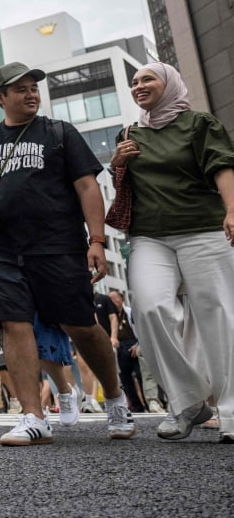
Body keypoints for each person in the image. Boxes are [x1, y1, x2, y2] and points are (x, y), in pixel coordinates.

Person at [0, 61, 136, 446]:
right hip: (2, 251)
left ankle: (116, 398)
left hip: (58, 246)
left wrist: (97, 240)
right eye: (20, 89)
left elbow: (88, 187)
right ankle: (33, 416)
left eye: (33, 87)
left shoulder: (59, 133)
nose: (31, 93)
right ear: (0, 97)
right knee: (13, 324)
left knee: (81, 325)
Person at [112, 62, 234, 443]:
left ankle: (231, 413)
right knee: (149, 309)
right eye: (134, 82)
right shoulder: (130, 133)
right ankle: (187, 401)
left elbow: (222, 166)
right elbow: (123, 185)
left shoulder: (200, 124)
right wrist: (117, 163)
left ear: (170, 84)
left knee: (218, 317)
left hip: (204, 229)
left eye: (148, 79)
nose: (139, 86)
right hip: (150, 236)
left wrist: (232, 209)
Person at [108, 290, 147, 413]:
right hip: (120, 348)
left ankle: (148, 403)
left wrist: (138, 344)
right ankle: (136, 406)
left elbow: (140, 330)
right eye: (110, 300)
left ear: (122, 299)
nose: (113, 302)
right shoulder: (110, 316)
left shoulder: (130, 312)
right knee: (125, 379)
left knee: (141, 376)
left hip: (134, 345)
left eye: (115, 298)